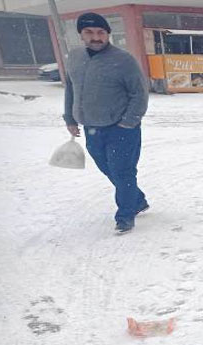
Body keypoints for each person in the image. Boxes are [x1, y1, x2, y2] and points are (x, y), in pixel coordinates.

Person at [63, 12, 149, 233]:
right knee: (108, 169)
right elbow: (71, 88)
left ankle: (125, 216)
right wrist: (70, 118)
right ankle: (136, 200)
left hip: (121, 128)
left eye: (101, 32)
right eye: (89, 32)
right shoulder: (75, 57)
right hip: (91, 127)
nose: (96, 37)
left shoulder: (123, 60)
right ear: (81, 35)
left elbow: (139, 93)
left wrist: (128, 123)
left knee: (123, 172)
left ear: (108, 34)